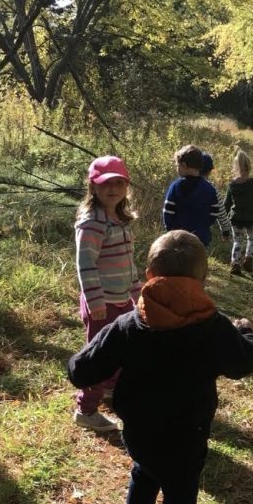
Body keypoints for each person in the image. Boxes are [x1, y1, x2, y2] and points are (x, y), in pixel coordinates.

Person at [67, 230, 253, 504]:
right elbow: (245, 363)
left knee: (144, 472)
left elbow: (80, 371)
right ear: (204, 278)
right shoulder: (214, 327)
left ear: (148, 276)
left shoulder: (128, 326)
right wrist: (246, 332)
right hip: (188, 437)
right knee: (180, 501)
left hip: (140, 434)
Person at [73, 156, 143, 431]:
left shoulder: (121, 218)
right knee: (100, 356)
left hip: (121, 298)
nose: (112, 189)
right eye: (106, 184)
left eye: (118, 183)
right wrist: (95, 300)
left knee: (122, 348)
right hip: (101, 302)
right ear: (93, 187)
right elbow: (86, 263)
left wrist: (136, 293)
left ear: (126, 186)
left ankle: (111, 388)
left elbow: (128, 261)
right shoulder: (92, 222)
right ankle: (85, 410)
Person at [163, 145, 231, 246]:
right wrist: (204, 225)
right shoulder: (210, 189)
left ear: (184, 165)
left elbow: (168, 211)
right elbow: (214, 212)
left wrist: (170, 230)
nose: (177, 168)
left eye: (177, 166)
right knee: (197, 261)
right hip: (200, 240)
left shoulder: (175, 187)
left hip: (177, 238)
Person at [224, 149, 253, 275]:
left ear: (236, 167)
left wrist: (222, 217)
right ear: (249, 167)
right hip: (251, 218)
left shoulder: (232, 185)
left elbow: (227, 203)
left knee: (237, 240)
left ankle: (235, 263)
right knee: (252, 239)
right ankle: (248, 258)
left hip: (235, 218)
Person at [200, 153, 233, 236]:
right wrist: (225, 230)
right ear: (210, 171)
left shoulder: (185, 183)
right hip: (202, 230)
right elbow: (220, 210)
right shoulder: (211, 188)